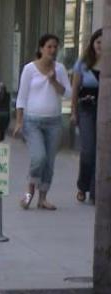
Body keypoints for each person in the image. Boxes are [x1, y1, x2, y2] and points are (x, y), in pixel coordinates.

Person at [14, 34, 71, 210]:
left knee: (49, 162)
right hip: (33, 122)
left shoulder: (59, 69)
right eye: (49, 47)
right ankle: (29, 192)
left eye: (55, 47)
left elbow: (67, 93)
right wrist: (19, 121)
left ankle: (43, 198)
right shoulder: (29, 69)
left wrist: (53, 81)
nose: (52, 51)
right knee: (39, 157)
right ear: (41, 49)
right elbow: (21, 97)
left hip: (53, 121)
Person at [71, 28, 102, 205]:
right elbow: (75, 89)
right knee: (88, 150)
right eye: (98, 42)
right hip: (86, 109)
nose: (101, 46)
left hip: (105, 112)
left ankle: (96, 191)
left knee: (103, 152)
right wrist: (74, 111)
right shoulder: (83, 63)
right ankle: (83, 186)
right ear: (93, 43)